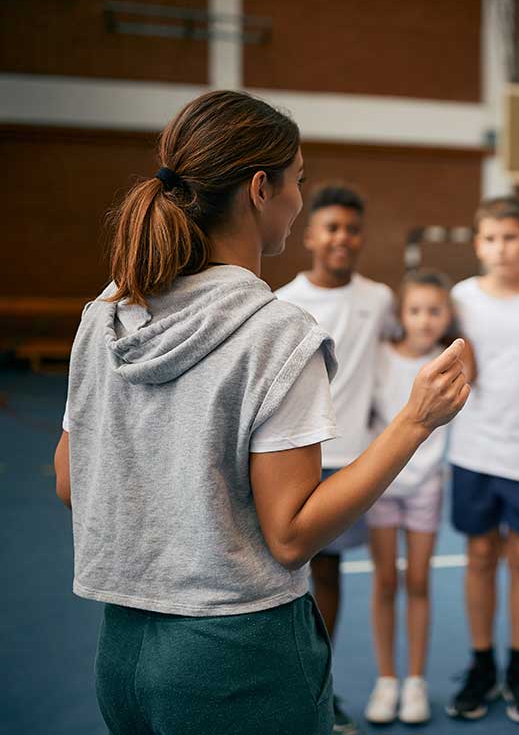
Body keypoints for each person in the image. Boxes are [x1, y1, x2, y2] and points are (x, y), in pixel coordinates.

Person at [53, 89, 468, 735]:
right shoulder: (277, 334)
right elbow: (292, 532)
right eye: (298, 182)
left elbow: (70, 480)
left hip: (124, 655)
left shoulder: (107, 312)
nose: (301, 202)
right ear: (260, 189)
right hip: (239, 661)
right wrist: (416, 420)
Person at [275, 183, 396, 734]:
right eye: (330, 228)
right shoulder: (281, 301)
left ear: (361, 236)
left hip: (352, 461)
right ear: (309, 236)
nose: (341, 238)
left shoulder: (380, 299)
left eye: (350, 228)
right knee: (280, 577)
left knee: (330, 573)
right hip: (292, 460)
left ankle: (321, 687)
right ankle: (284, 686)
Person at [444, 196, 519, 723]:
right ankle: (482, 664)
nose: (501, 248)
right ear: (477, 245)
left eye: (511, 237)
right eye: (490, 238)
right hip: (475, 448)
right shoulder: (461, 297)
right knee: (479, 557)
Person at [363, 270, 460, 726]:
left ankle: (415, 680)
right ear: (401, 314)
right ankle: (387, 679)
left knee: (418, 582)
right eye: (416, 310)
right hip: (383, 487)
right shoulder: (380, 357)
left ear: (447, 315)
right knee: (385, 583)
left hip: (426, 487)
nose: (424, 320)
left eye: (434, 311)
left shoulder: (450, 363)